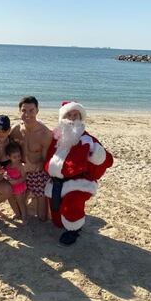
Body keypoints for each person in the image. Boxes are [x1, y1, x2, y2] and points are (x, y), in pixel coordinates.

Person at [44, 101, 113, 246]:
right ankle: (69, 220)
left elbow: (107, 160)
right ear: (63, 117)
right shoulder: (56, 137)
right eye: (69, 115)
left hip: (79, 183)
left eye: (76, 115)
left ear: (81, 118)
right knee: (57, 221)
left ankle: (74, 231)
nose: (73, 118)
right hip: (56, 182)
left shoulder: (87, 139)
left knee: (71, 206)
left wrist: (97, 154)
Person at [10, 96, 53, 221]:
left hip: (37, 172)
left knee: (42, 218)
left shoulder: (45, 133)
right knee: (17, 207)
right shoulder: (16, 130)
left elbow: (46, 161)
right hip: (21, 170)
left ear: (37, 111)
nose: (27, 114)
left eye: (31, 110)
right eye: (24, 110)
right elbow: (2, 140)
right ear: (19, 111)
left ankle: (37, 198)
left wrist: (34, 167)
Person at [3, 142, 28, 225]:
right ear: (8, 157)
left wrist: (16, 181)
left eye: (19, 156)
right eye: (14, 157)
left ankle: (24, 217)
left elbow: (24, 177)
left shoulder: (21, 166)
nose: (17, 158)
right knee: (10, 199)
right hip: (11, 187)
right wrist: (6, 176)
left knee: (21, 202)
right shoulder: (8, 166)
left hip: (19, 186)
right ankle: (17, 214)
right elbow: (6, 174)